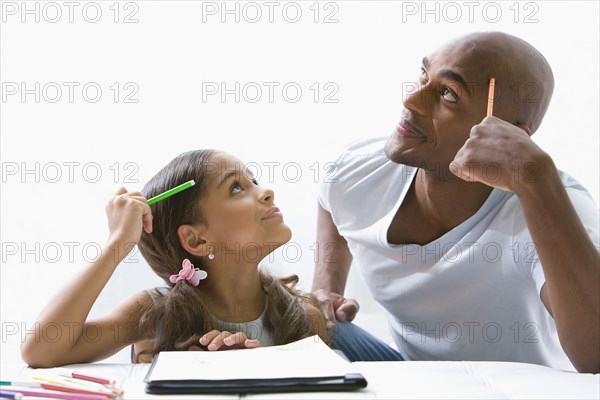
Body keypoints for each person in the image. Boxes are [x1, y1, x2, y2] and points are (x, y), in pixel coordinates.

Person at [312, 32, 599, 373]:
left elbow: (595, 358)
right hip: (414, 375)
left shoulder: (552, 205)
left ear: (508, 131)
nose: (411, 102)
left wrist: (538, 177)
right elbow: (330, 199)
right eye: (423, 77)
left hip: (520, 390)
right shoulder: (357, 171)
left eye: (448, 93)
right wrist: (324, 291)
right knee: (298, 319)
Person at [21, 150, 329, 367]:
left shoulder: (304, 319)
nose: (267, 192)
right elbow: (41, 350)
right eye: (236, 187)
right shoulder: (154, 314)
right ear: (195, 239)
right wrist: (117, 243)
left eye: (254, 181)